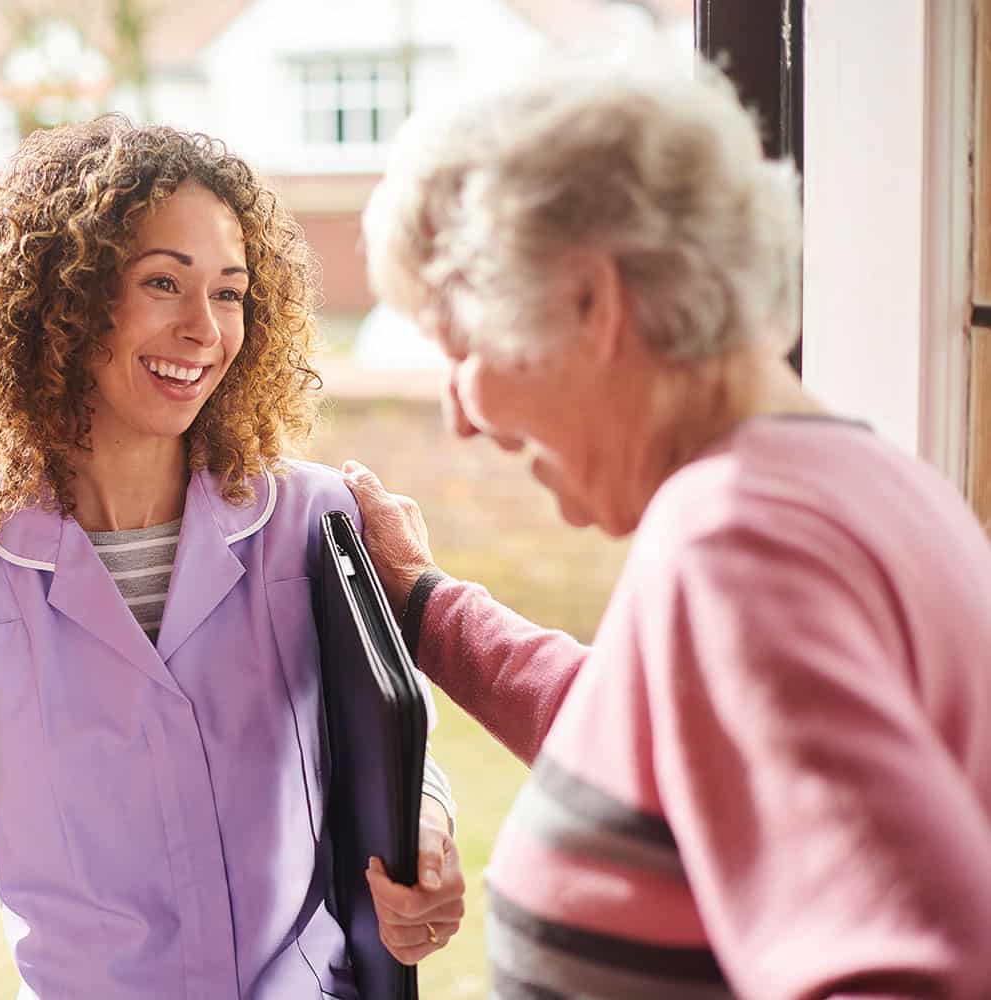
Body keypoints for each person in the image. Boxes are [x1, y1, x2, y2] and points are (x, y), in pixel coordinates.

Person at [344, 48, 991, 1000]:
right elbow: (682, 760)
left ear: (592, 302)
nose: (459, 415)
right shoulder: (864, 484)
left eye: (463, 346)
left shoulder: (738, 543)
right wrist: (429, 607)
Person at [0, 116, 465, 1000]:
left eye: (231, 293)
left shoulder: (315, 522)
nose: (204, 329)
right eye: (162, 283)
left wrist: (427, 828)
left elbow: (393, 750)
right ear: (67, 297)